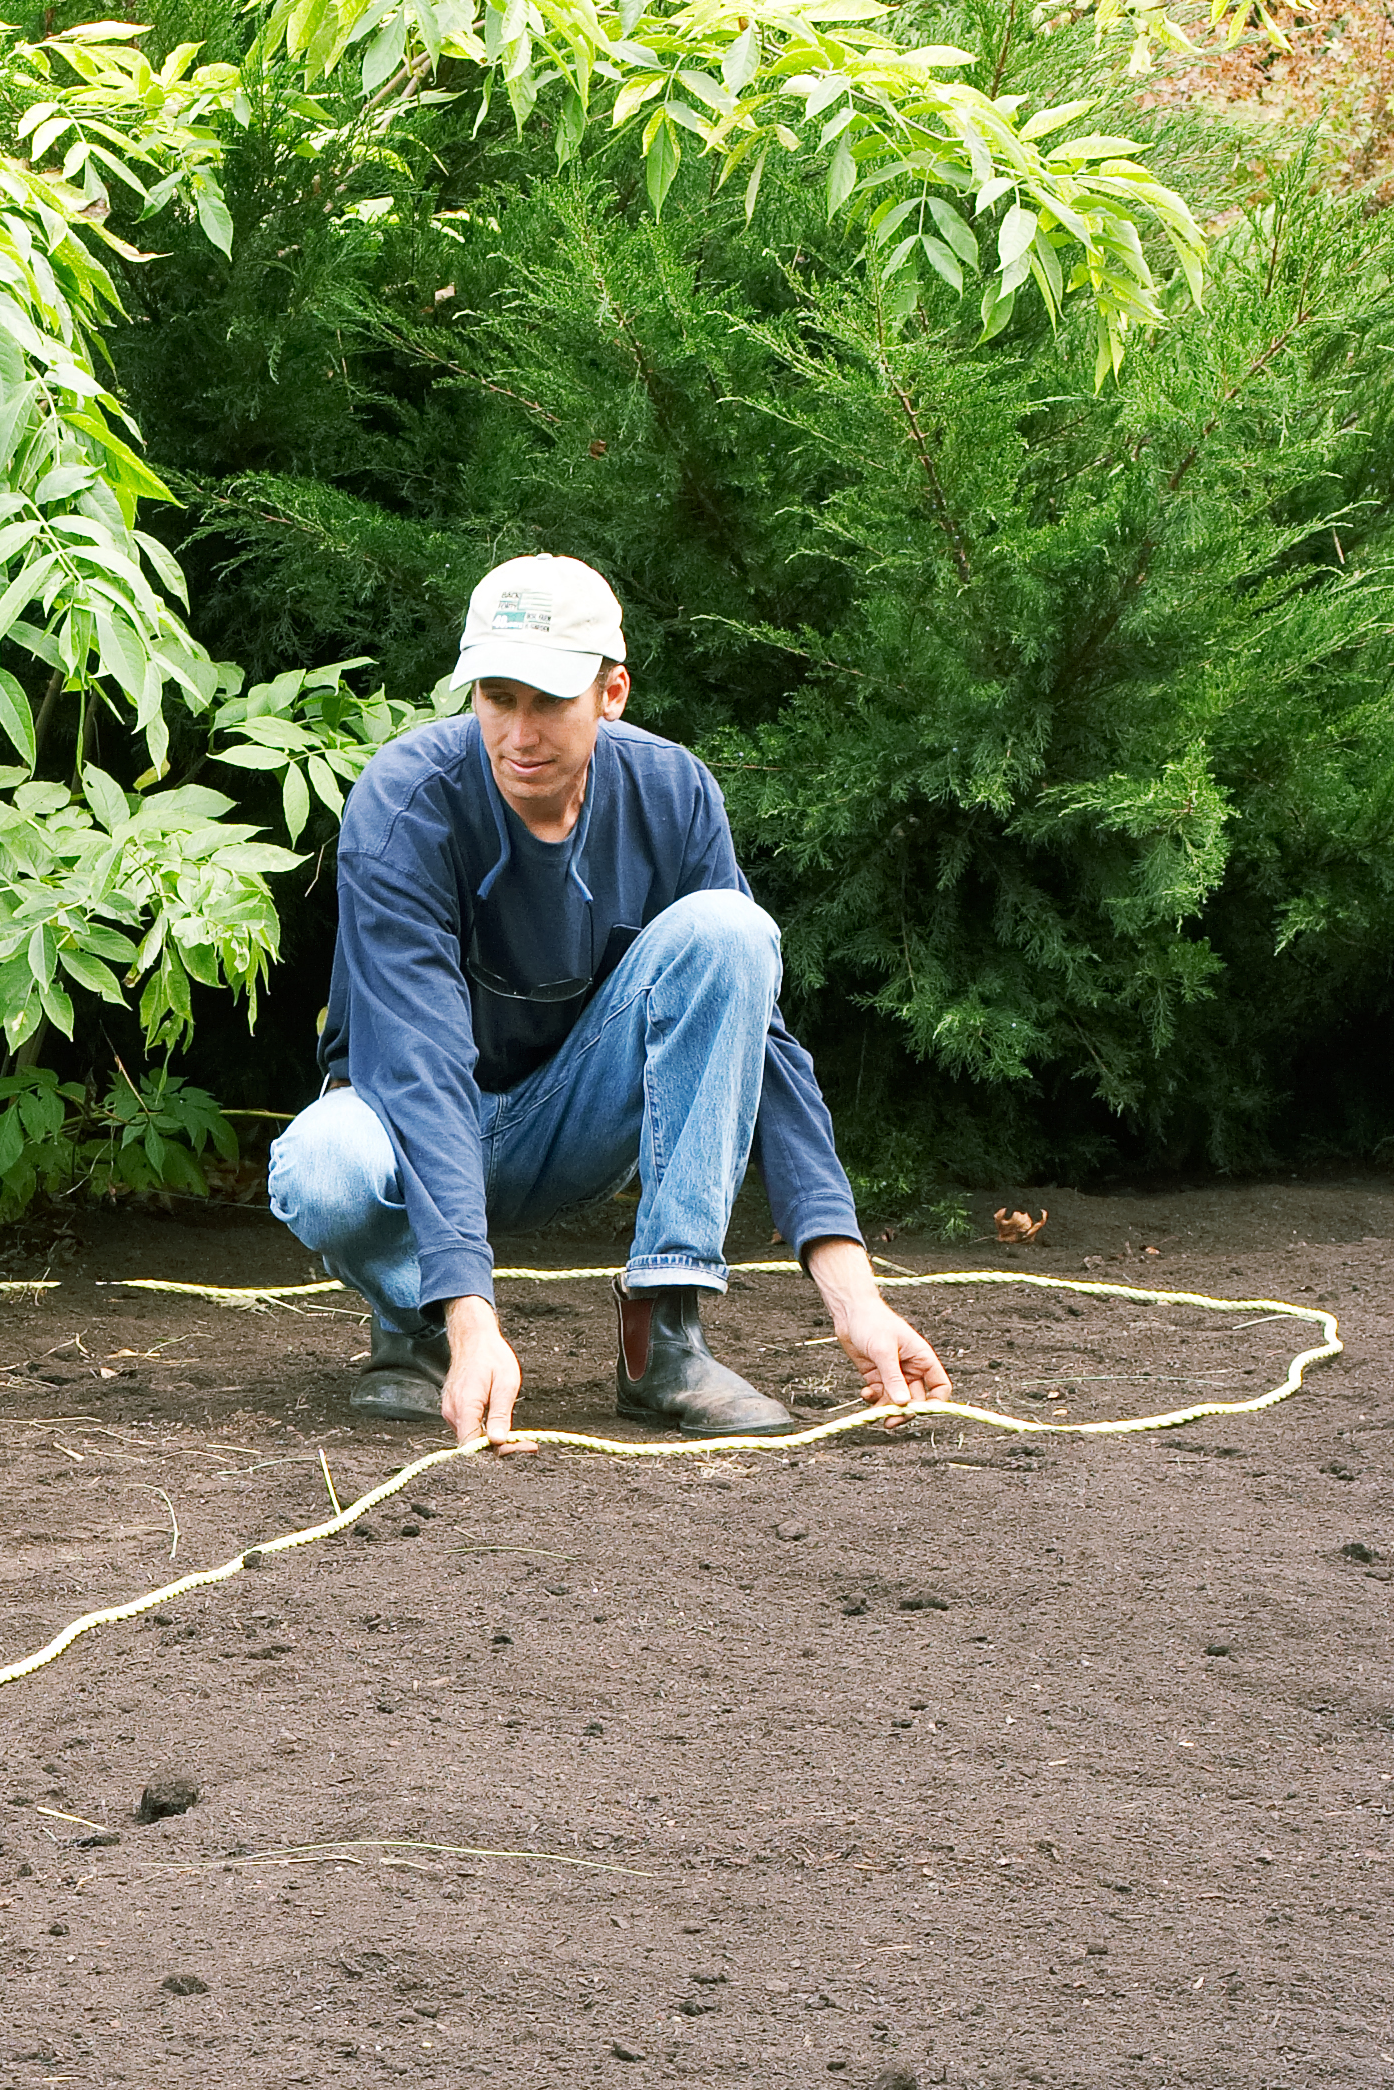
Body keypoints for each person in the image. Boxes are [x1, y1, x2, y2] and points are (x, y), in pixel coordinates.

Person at [266, 555, 949, 1444]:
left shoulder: (673, 793)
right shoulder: (405, 804)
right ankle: (424, 1330)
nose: (519, 733)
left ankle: (665, 1333)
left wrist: (854, 1296)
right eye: (496, 697)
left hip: (569, 1123)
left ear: (611, 693)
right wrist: (477, 1314)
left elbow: (763, 1045)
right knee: (319, 1168)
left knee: (732, 931)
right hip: (411, 1120)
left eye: (548, 700)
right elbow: (419, 1066)